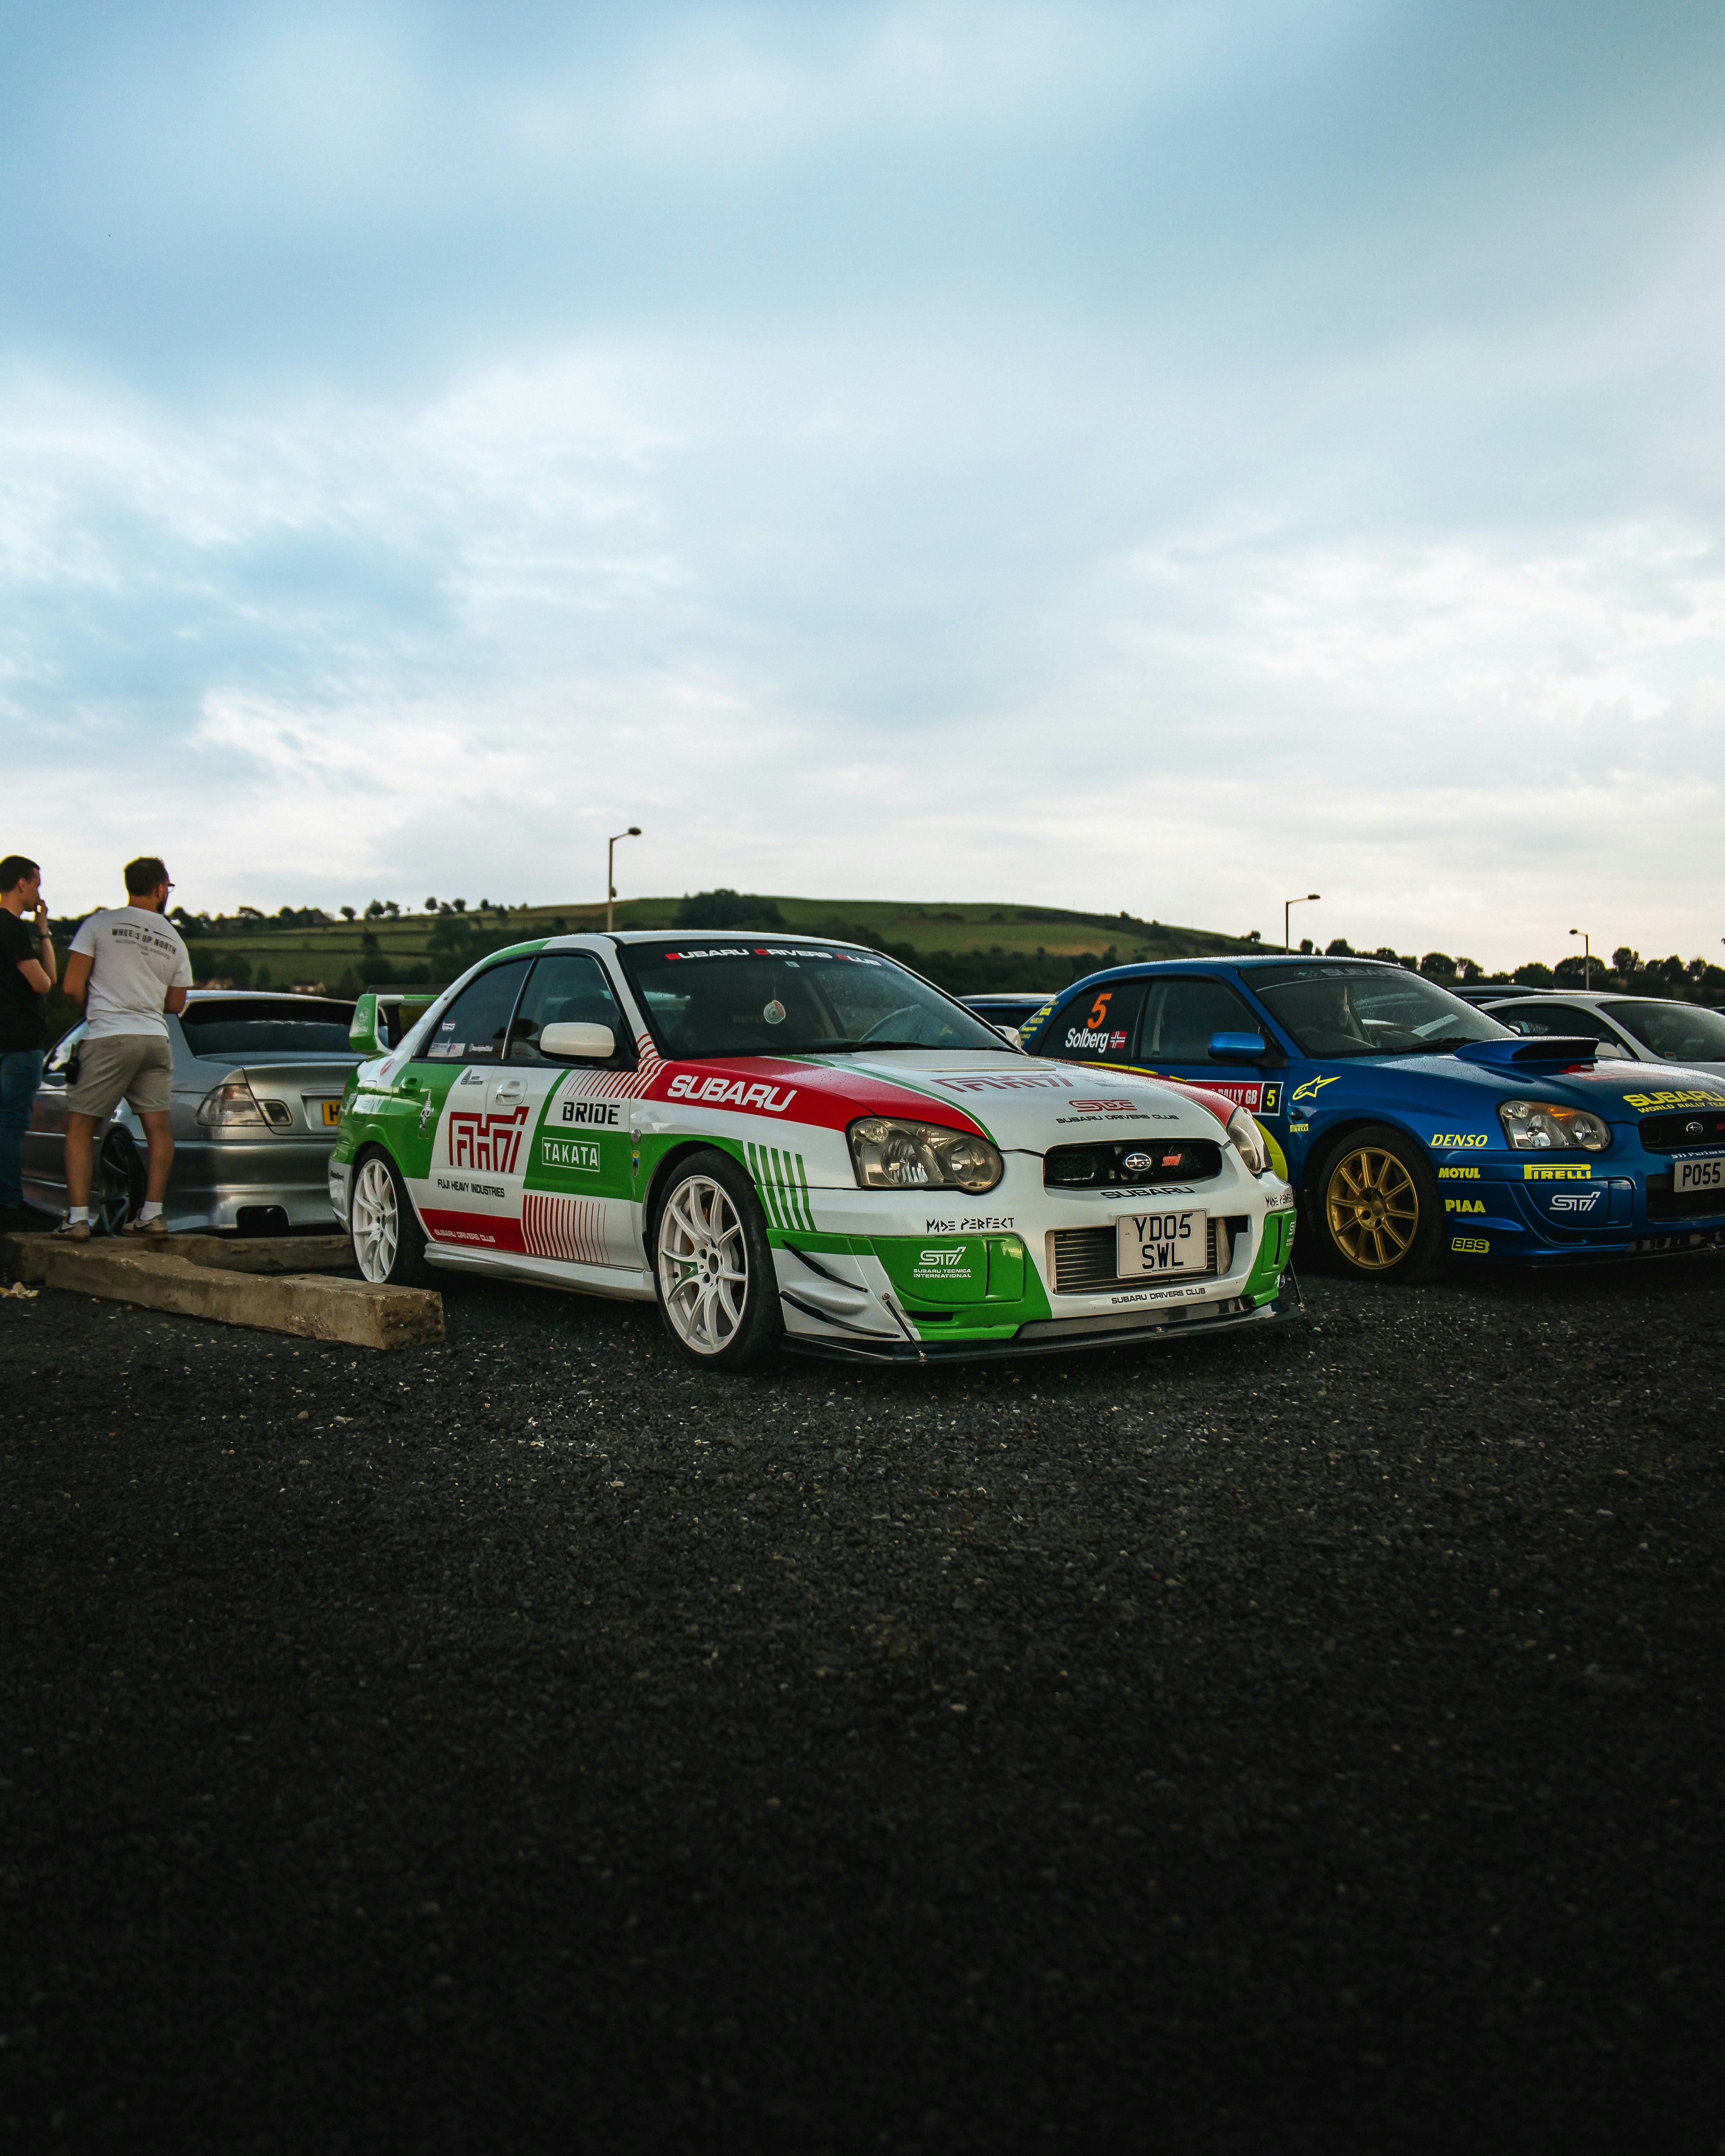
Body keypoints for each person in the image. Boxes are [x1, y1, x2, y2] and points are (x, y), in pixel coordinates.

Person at [59, 858, 192, 1240]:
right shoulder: (173, 938)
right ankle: (152, 1215)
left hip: (110, 1036)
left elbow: (70, 986)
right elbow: (176, 1004)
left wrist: (101, 1006)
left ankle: (78, 1219)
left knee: (82, 1128)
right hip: (154, 1038)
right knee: (158, 1129)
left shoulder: (99, 925)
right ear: (161, 889)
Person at [0, 854, 60, 1232]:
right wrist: (40, 932)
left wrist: (43, 930)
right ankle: (9, 1204)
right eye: (37, 883)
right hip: (19, 1040)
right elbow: (44, 983)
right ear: (21, 884)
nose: (39, 892)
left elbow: (49, 977)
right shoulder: (9, 928)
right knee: (11, 1125)